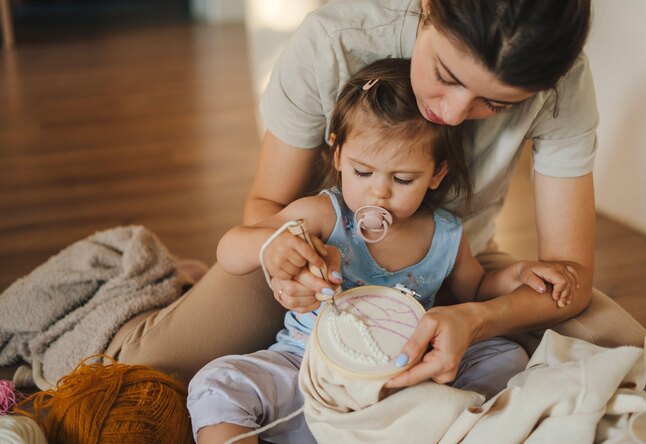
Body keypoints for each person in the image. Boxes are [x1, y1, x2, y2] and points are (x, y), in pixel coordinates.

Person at [105, 0, 646, 387]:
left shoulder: (563, 86)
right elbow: (264, 211)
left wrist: (478, 316)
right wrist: (285, 264)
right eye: (445, 74)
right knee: (141, 372)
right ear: (428, 6)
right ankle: (184, 288)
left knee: (632, 357)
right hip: (317, 262)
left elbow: (569, 278)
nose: (454, 114)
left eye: (496, 104)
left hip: (446, 268)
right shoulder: (333, 40)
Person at [187, 58, 577, 444]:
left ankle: (429, 423)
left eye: (404, 179)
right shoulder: (321, 214)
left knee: (506, 358)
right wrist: (271, 245)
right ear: (337, 154)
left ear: (437, 174)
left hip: (404, 378)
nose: (380, 192)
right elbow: (229, 250)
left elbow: (476, 290)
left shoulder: (444, 234)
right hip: (308, 367)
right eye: (362, 172)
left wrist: (519, 274)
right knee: (217, 384)